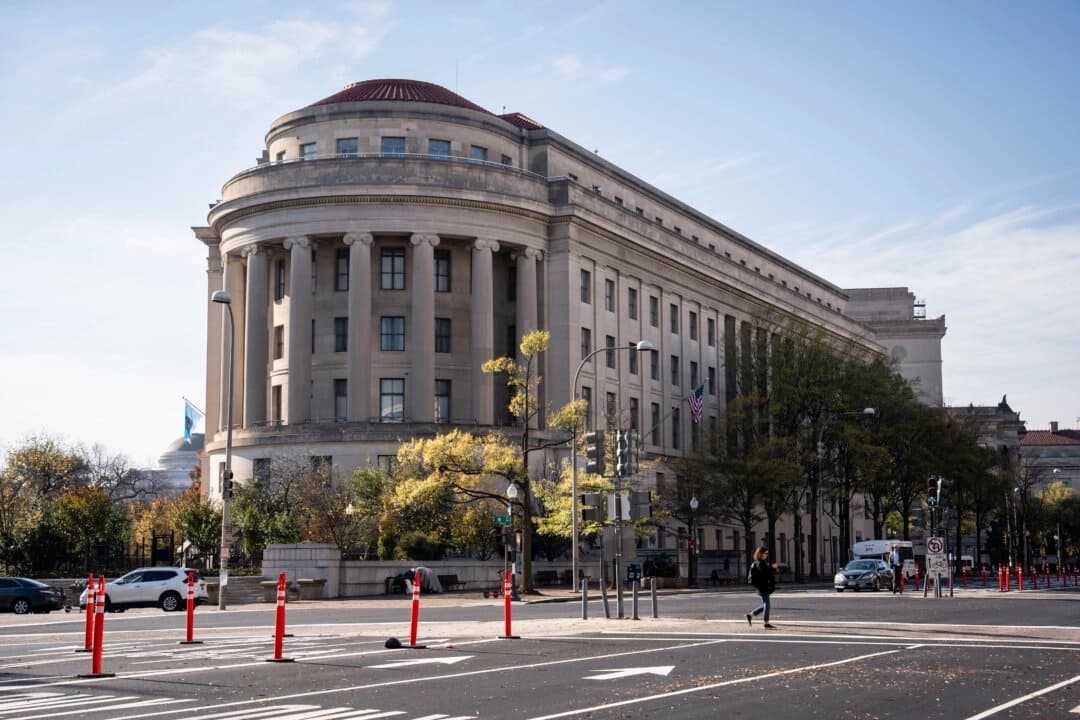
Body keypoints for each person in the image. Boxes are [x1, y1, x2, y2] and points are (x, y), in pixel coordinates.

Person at [745, 546, 777, 629]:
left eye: (767, 553)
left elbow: (765, 572)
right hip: (763, 586)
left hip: (760, 586)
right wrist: (773, 568)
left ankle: (750, 615)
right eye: (765, 553)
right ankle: (766, 623)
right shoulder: (761, 563)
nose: (766, 555)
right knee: (767, 605)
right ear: (760, 554)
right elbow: (766, 573)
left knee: (765, 605)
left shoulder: (756, 562)